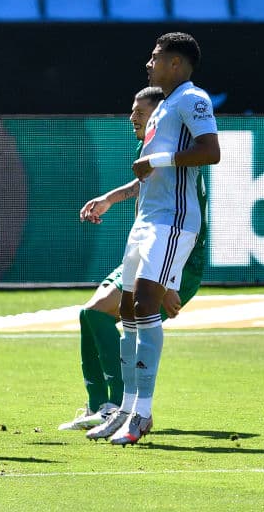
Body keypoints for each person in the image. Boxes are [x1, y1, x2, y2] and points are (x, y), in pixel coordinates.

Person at [84, 32, 220, 446]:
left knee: (145, 306)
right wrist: (120, 192)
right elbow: (151, 172)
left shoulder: (193, 98)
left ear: (175, 64)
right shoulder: (164, 109)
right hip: (147, 219)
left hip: (173, 221)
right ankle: (124, 409)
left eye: (156, 57)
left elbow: (211, 151)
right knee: (126, 310)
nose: (149, 63)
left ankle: (142, 414)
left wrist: (158, 158)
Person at [58, 86, 207, 432]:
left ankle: (131, 409)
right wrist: (111, 198)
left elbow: (187, 224)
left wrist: (171, 282)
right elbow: (145, 184)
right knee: (91, 314)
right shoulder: (150, 149)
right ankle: (104, 406)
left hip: (178, 260)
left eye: (141, 112)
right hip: (152, 251)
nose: (133, 118)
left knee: (113, 317)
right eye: (133, 111)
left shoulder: (180, 152)